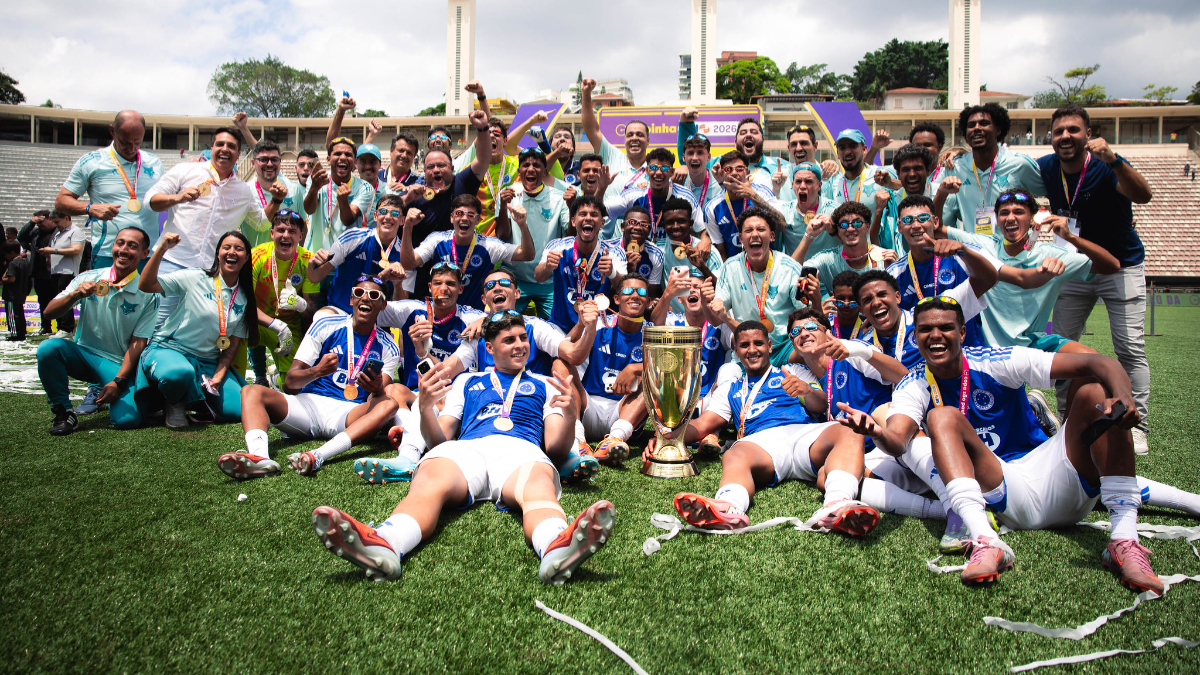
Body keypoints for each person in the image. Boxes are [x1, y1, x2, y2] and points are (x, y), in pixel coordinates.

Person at [838, 297, 1166, 592]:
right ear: (916, 337)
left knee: (1095, 391)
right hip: (1003, 488)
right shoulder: (914, 383)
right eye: (925, 330)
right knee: (941, 418)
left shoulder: (996, 360)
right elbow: (897, 442)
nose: (935, 336)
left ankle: (1124, 539)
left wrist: (1124, 397)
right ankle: (985, 540)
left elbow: (1100, 363)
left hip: (1055, 473)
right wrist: (876, 433)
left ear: (962, 333)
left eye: (945, 328)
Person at [310, 312, 615, 585]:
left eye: (523, 338)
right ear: (490, 348)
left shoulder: (544, 384)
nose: (520, 345)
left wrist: (571, 415)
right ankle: (387, 543)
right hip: (468, 449)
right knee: (430, 476)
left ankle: (554, 546)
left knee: (538, 486)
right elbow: (439, 439)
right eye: (509, 340)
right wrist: (427, 409)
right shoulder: (467, 382)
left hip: (521, 451)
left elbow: (555, 449)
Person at [668, 321, 881, 536]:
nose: (752, 350)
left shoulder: (793, 370)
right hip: (762, 445)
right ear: (736, 350)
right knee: (735, 453)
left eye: (758, 343)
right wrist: (666, 439)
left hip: (804, 436)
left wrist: (806, 391)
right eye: (744, 345)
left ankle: (837, 504)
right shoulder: (730, 388)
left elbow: (821, 404)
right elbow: (703, 424)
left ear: (770, 346)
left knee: (848, 429)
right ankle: (728, 507)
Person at [1039, 103, 1154, 454]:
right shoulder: (1045, 167)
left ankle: (1137, 425)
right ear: (1051, 137)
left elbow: (1144, 196)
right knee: (1061, 345)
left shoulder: (1107, 166)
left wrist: (1116, 160)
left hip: (1121, 264)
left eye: (1073, 130)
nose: (1065, 137)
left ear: (1088, 134)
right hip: (1075, 268)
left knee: (1129, 349)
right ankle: (1063, 418)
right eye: (1059, 131)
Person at [218, 276, 401, 479]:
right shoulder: (325, 325)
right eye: (359, 293)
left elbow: (377, 400)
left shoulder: (388, 346)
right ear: (351, 299)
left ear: (383, 304)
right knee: (251, 390)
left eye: (374, 295)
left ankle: (318, 455)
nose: (365, 299)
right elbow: (290, 384)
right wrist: (317, 371)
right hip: (308, 405)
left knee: (389, 404)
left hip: (348, 414)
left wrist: (376, 389)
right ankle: (260, 458)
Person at [36, 227, 158, 434]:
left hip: (117, 364)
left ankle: (119, 393)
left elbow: (138, 342)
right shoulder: (88, 278)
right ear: (113, 246)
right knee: (49, 348)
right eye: (120, 243)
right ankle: (64, 413)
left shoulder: (148, 292)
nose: (124, 250)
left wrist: (118, 382)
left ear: (145, 254)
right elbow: (49, 313)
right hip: (84, 356)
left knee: (127, 421)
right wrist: (74, 295)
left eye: (132, 246)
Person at [146, 127, 268, 326]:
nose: (224, 149)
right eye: (220, 144)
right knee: (157, 325)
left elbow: (262, 223)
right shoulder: (186, 171)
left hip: (208, 273)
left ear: (239, 154)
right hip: (172, 263)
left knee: (195, 328)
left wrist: (277, 200)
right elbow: (150, 200)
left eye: (232, 146)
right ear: (211, 148)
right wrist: (177, 198)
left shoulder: (243, 190)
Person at [137, 231, 256, 429]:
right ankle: (173, 401)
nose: (231, 252)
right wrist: (162, 250)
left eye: (239, 248)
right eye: (226, 247)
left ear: (246, 257)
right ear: (218, 254)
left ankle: (196, 397)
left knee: (237, 410)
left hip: (207, 360)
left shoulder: (244, 296)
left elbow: (232, 344)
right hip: (170, 349)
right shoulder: (195, 277)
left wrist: (218, 376)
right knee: (178, 373)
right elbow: (146, 284)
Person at [852, 241, 997, 372]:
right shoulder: (864, 348)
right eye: (867, 300)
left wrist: (964, 251)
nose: (877, 302)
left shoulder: (932, 314)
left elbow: (986, 279)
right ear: (862, 310)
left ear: (897, 297)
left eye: (882, 295)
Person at [395, 109, 492, 301]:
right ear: (424, 172)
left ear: (453, 169)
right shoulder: (414, 193)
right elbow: (386, 217)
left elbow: (483, 159)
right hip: (423, 272)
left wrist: (482, 128)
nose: (436, 170)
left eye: (441, 166)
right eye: (430, 167)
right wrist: (406, 200)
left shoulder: (462, 182)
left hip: (460, 269)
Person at [55, 110, 165, 269]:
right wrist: (90, 208)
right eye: (125, 142)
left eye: (137, 142)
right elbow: (61, 201)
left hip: (148, 254)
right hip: (108, 253)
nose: (131, 148)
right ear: (112, 131)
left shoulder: (154, 162)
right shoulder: (91, 162)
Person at [886, 195, 995, 348]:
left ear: (935, 222)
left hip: (967, 354)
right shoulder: (894, 273)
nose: (916, 225)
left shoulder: (962, 256)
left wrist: (963, 251)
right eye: (908, 220)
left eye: (923, 218)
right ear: (899, 227)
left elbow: (990, 278)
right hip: (921, 360)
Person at [712, 207, 810, 365]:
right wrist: (710, 304)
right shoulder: (729, 267)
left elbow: (807, 315)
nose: (755, 234)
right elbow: (716, 316)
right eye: (748, 230)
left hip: (785, 347)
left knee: (810, 353)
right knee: (724, 382)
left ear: (772, 236)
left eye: (761, 229)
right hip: (748, 351)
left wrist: (816, 299)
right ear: (741, 238)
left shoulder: (790, 268)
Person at [404, 194, 533, 311]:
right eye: (459, 213)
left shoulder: (489, 245)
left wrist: (522, 225)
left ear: (478, 220)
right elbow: (409, 263)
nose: (464, 218)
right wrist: (407, 227)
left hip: (474, 318)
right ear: (451, 217)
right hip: (442, 313)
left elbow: (527, 254)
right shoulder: (437, 240)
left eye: (470, 215)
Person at [574, 274, 650, 465]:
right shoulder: (598, 325)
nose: (635, 295)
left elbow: (671, 368)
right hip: (588, 407)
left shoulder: (653, 334)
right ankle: (577, 440)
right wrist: (581, 323)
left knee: (655, 378)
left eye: (641, 292)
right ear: (616, 299)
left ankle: (614, 439)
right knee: (560, 365)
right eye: (627, 291)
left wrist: (637, 368)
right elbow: (568, 349)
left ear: (648, 302)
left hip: (624, 411)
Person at [939, 103, 1046, 236]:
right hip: (974, 252)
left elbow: (1049, 192)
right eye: (971, 125)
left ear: (998, 129)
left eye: (984, 123)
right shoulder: (955, 167)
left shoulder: (1019, 164)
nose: (976, 128)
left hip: (1012, 253)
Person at [378, 263, 486, 390]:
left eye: (450, 284)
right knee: (393, 390)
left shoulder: (471, 317)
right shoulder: (410, 310)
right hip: (416, 392)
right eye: (437, 283)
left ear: (460, 289)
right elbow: (369, 310)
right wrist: (380, 279)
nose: (443, 288)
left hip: (455, 394)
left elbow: (508, 321)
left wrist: (486, 320)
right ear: (430, 287)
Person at [245, 210, 319, 389]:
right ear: (272, 233)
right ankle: (259, 375)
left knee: (291, 385)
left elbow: (313, 310)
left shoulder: (308, 260)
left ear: (300, 236)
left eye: (292, 231)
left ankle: (275, 378)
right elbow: (244, 303)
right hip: (255, 319)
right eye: (280, 230)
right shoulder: (256, 256)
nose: (286, 235)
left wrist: (301, 306)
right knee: (237, 331)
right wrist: (273, 324)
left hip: (288, 324)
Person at [307, 194, 414, 313]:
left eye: (394, 214)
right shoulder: (352, 238)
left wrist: (398, 285)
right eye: (383, 211)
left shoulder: (406, 255)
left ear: (402, 220)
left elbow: (401, 309)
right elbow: (315, 277)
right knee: (322, 316)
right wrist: (312, 264)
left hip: (376, 319)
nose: (388, 217)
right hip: (339, 310)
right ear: (375, 216)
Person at [536, 195, 626, 332]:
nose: (588, 218)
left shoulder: (613, 253)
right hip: (560, 326)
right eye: (582, 214)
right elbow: (538, 276)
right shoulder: (557, 247)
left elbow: (625, 289)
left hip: (598, 328)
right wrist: (546, 267)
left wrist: (612, 273)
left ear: (602, 223)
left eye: (594, 215)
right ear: (573, 221)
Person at [500, 147, 570, 317]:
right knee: (503, 325)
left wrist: (571, 206)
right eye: (526, 165)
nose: (531, 169)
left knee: (558, 328)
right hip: (515, 279)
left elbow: (569, 236)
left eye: (537, 165)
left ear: (545, 170)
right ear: (519, 171)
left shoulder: (559, 198)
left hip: (549, 280)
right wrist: (502, 206)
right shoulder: (508, 195)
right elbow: (501, 236)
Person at [651, 270, 733, 399]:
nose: (692, 290)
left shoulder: (719, 325)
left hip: (710, 398)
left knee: (732, 369)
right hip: (678, 398)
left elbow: (740, 340)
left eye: (697, 287)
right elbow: (657, 322)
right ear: (679, 299)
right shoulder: (673, 321)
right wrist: (667, 293)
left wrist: (725, 316)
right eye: (687, 288)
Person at [795, 202, 898, 299]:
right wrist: (808, 236)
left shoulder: (886, 258)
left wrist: (899, 270)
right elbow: (792, 271)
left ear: (867, 227)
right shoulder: (828, 259)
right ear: (838, 230)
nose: (850, 229)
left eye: (857, 223)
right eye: (844, 225)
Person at [604, 147, 701, 246]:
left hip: (674, 256)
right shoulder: (634, 195)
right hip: (642, 255)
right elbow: (600, 211)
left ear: (672, 172)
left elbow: (702, 230)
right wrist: (602, 187)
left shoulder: (685, 196)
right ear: (647, 170)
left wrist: (705, 240)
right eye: (654, 168)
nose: (658, 173)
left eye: (664, 168)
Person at [302, 133, 375, 253]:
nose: (342, 157)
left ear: (355, 161)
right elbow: (309, 210)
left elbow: (348, 220)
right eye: (337, 153)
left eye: (348, 154)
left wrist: (343, 201)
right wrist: (315, 187)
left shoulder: (364, 187)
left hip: (346, 259)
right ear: (328, 159)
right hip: (316, 256)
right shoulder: (316, 179)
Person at [704, 152, 785, 259]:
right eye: (728, 169)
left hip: (767, 266)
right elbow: (721, 253)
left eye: (739, 169)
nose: (734, 173)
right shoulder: (712, 208)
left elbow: (781, 225)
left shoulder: (763, 193)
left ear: (747, 172)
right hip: (735, 268)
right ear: (721, 175)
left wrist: (752, 196)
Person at [579, 77, 648, 199]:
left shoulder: (654, 167)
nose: (635, 138)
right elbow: (592, 129)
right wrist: (586, 94)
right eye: (630, 135)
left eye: (640, 135)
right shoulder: (613, 156)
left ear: (648, 141)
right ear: (624, 140)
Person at [872, 143, 938, 256]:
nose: (912, 174)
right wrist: (878, 212)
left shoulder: (945, 195)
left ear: (928, 170)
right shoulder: (890, 202)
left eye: (917, 168)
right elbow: (876, 243)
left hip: (940, 267)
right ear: (898, 173)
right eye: (906, 169)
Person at [659, 199, 722, 313]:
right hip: (674, 320)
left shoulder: (708, 252)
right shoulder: (659, 250)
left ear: (691, 224)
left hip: (705, 319)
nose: (676, 226)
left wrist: (702, 266)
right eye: (670, 222)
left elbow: (722, 290)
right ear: (663, 226)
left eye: (681, 221)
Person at [243, 139, 303, 247]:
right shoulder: (245, 191)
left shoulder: (294, 189)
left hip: (288, 261)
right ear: (253, 163)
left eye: (274, 159)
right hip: (255, 261)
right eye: (264, 159)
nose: (269, 164)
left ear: (280, 162)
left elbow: (302, 227)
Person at [824, 129, 888, 224]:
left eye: (853, 146)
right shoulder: (834, 183)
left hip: (874, 239)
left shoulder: (880, 175)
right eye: (842, 148)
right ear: (837, 153)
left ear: (864, 150)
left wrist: (892, 184)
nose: (847, 152)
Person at [40, 211, 87, 337]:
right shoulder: (58, 233)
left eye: (57, 222)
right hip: (56, 271)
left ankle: (67, 328)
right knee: (57, 298)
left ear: (66, 218)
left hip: (67, 272)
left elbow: (76, 250)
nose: (55, 225)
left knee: (65, 299)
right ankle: (61, 327)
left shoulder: (76, 231)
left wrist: (53, 250)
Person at [780, 162, 837, 258]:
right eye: (798, 181)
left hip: (827, 271)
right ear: (793, 185)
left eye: (808, 182)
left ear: (819, 186)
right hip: (796, 270)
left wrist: (834, 230)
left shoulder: (833, 211)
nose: (802, 186)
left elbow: (854, 242)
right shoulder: (784, 211)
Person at [603, 205, 663, 295]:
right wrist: (628, 270)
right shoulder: (607, 249)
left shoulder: (656, 254)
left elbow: (650, 295)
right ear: (622, 227)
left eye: (644, 224)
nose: (638, 228)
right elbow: (606, 292)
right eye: (632, 222)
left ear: (649, 230)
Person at [17, 211, 56, 335]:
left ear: (50, 219)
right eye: (37, 222)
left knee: (58, 298)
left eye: (41, 222)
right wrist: (31, 223)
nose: (39, 225)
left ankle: (62, 326)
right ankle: (45, 326)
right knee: (42, 300)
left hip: (54, 271)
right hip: (38, 272)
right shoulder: (36, 232)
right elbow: (21, 237)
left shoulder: (58, 231)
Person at [2, 242, 32, 341]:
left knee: (12, 315)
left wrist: (3, 279)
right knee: (19, 314)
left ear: (11, 253)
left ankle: (14, 334)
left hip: (11, 294)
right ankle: (22, 332)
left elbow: (11, 279)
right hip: (21, 292)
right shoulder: (24, 262)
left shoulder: (13, 263)